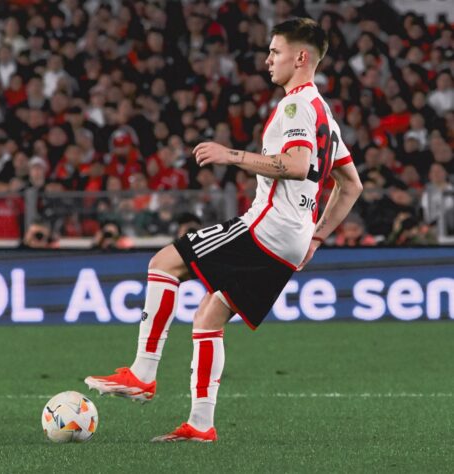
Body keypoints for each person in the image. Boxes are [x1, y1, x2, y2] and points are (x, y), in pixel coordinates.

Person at [85, 18, 362, 443]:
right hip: (293, 240)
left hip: (268, 225)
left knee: (163, 263)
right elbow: (351, 186)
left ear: (301, 57)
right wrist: (318, 238)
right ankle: (200, 424)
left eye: (276, 51)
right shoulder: (325, 114)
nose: (268, 59)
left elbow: (296, 165)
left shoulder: (295, 106)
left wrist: (229, 155)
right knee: (210, 315)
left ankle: (142, 372)